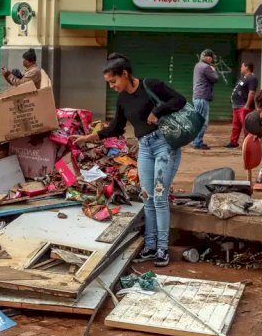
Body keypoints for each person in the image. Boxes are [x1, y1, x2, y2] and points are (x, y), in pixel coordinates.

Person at [71, 53, 186, 267]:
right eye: (109, 83)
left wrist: (158, 110)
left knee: (159, 198)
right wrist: (87, 138)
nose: (112, 86)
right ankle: (150, 246)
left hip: (165, 146)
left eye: (114, 81)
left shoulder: (150, 85)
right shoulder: (122, 99)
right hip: (144, 148)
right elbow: (116, 127)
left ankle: (162, 248)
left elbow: (180, 100)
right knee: (147, 197)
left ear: (125, 74)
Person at [225, 62, 258, 148]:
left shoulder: (252, 78)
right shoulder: (244, 78)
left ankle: (248, 144)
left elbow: (252, 92)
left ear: (246, 67)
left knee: (247, 127)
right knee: (236, 126)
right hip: (236, 106)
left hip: (243, 107)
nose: (241, 68)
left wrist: (247, 105)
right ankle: (233, 142)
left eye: (242, 66)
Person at [192, 49, 219, 150]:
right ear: (207, 57)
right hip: (202, 97)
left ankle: (196, 141)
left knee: (198, 120)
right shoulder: (206, 67)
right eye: (211, 57)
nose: (212, 60)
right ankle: (197, 142)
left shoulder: (197, 65)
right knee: (203, 122)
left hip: (198, 96)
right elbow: (215, 78)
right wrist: (213, 70)